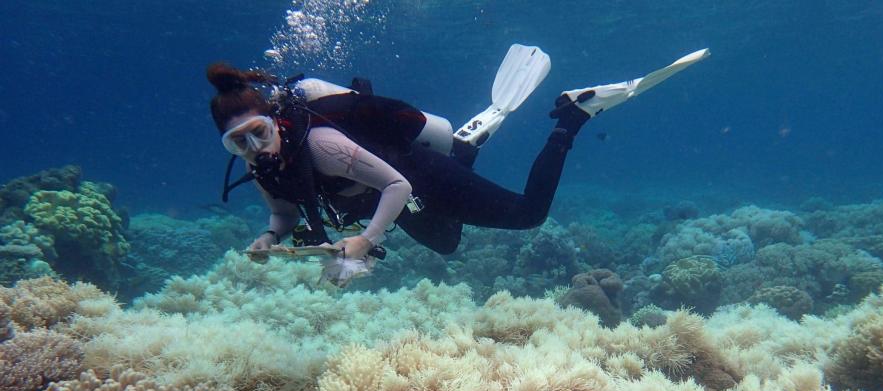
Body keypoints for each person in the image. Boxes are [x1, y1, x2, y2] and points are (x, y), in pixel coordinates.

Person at [207, 47, 709, 266]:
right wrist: (269, 235)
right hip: (391, 198)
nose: (254, 148)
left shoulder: (321, 145)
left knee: (528, 215)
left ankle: (573, 116)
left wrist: (365, 239)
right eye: (238, 143)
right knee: (447, 244)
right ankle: (465, 146)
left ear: (275, 120)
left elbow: (397, 188)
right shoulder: (259, 167)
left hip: (413, 178)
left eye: (257, 132)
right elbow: (282, 211)